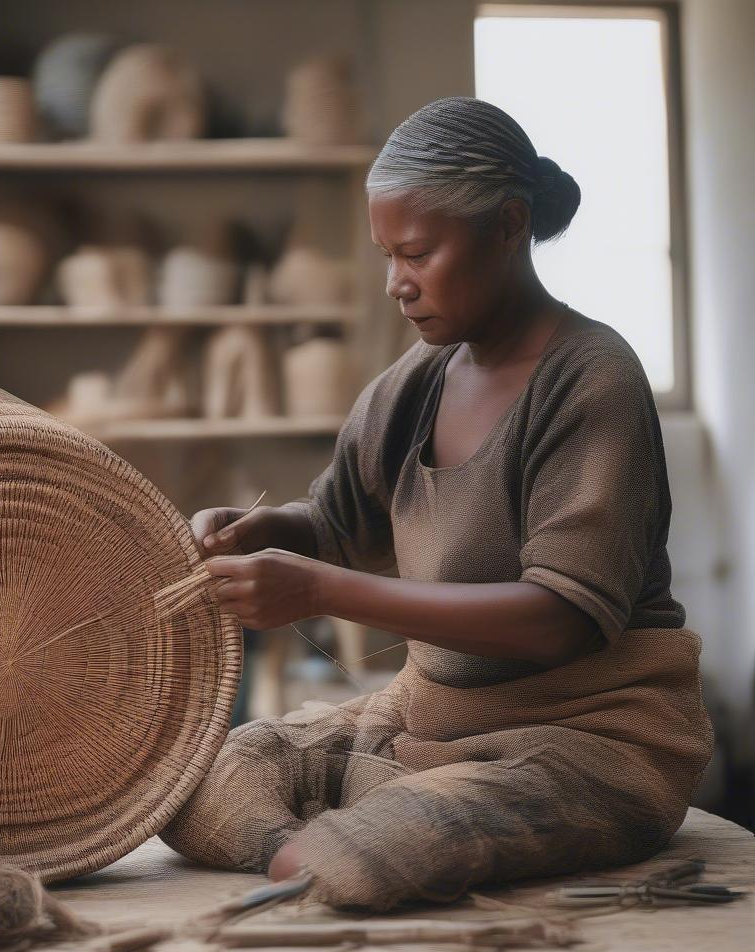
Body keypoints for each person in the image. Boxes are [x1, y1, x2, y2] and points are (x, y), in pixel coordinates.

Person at [159, 96, 714, 910]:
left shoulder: (591, 378)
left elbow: (561, 615)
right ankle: (313, 852)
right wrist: (258, 532)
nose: (396, 284)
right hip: (432, 719)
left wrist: (314, 590)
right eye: (387, 256)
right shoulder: (414, 384)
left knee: (377, 850)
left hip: (589, 739)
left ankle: (345, 845)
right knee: (196, 778)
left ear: (509, 225)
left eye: (417, 252)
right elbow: (335, 525)